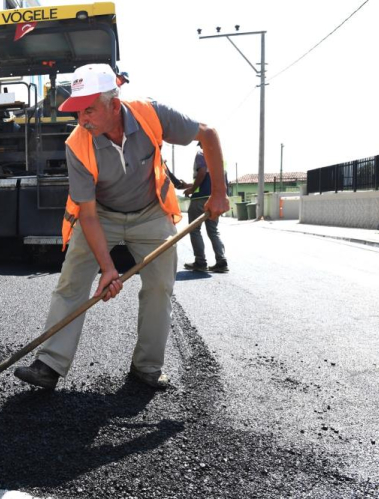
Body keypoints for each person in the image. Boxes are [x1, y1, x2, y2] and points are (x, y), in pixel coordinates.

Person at [13, 64, 229, 390]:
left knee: (159, 285)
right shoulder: (77, 144)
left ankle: (147, 368)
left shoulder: (151, 114)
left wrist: (219, 193)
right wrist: (108, 268)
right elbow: (87, 215)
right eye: (77, 112)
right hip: (101, 214)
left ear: (114, 105)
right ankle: (49, 364)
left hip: (150, 213)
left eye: (88, 110)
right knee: (72, 280)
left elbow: (207, 134)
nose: (81, 120)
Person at [181, 142, 229, 273]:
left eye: (201, 144)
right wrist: (188, 186)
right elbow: (210, 179)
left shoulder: (201, 154)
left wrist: (192, 189)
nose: (201, 147)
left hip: (200, 199)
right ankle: (221, 261)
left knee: (194, 230)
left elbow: (202, 172)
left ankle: (200, 262)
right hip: (215, 199)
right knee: (213, 231)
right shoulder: (220, 159)